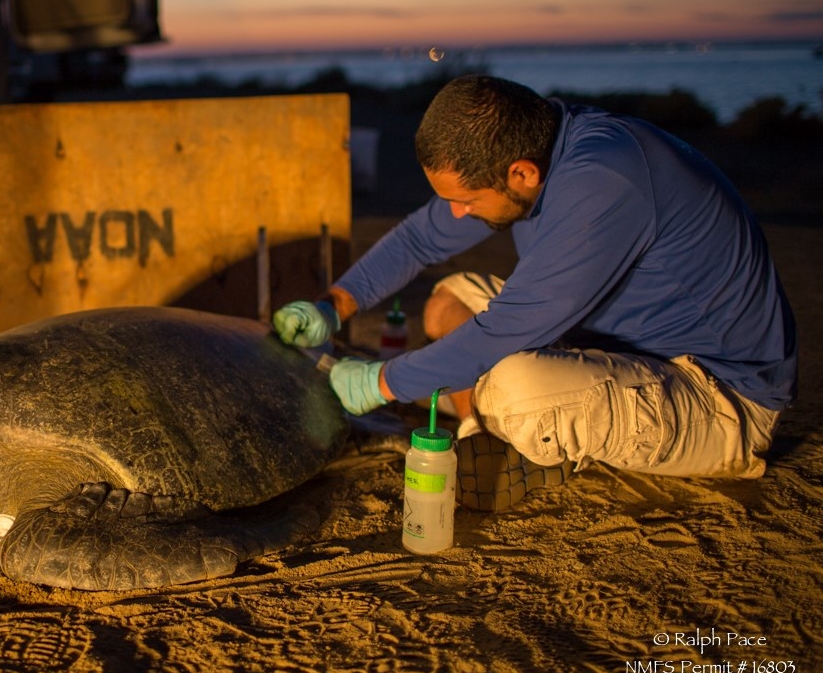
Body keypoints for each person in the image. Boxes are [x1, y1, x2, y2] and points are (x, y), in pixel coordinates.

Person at [274, 74, 797, 510]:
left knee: (512, 388)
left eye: (467, 200)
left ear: (521, 172)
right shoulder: (545, 141)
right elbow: (419, 239)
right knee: (449, 300)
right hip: (620, 350)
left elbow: (504, 330)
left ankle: (514, 433)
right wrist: (333, 305)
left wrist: (380, 383)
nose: (457, 213)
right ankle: (492, 436)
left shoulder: (604, 182)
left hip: (717, 395)